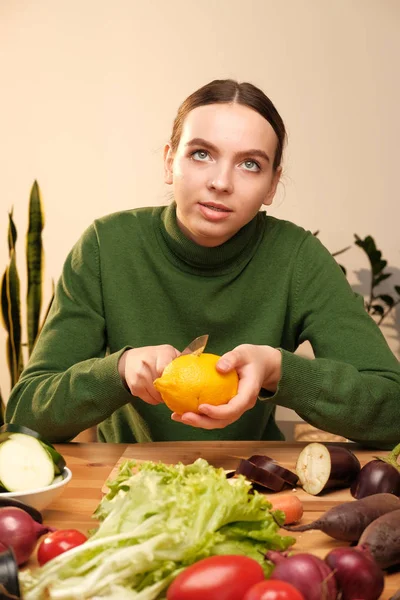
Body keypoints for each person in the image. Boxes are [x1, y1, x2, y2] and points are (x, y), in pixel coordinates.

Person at [5, 79, 400, 448]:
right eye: (201, 154)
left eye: (250, 164)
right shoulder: (105, 246)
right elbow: (26, 414)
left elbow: (392, 408)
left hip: (253, 481)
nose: (221, 182)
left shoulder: (297, 257)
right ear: (168, 162)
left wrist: (279, 369)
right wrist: (118, 370)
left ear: (272, 185)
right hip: (123, 483)